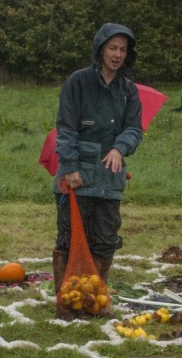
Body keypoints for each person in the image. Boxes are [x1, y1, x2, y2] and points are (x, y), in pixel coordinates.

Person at [52, 23, 143, 293]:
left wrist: (119, 148)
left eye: (123, 50)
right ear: (100, 49)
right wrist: (69, 166)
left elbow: (134, 129)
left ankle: (94, 296)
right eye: (112, 48)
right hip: (77, 174)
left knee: (105, 238)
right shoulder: (78, 82)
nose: (117, 54)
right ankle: (67, 299)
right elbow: (66, 127)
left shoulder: (129, 90)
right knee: (70, 237)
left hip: (109, 178)